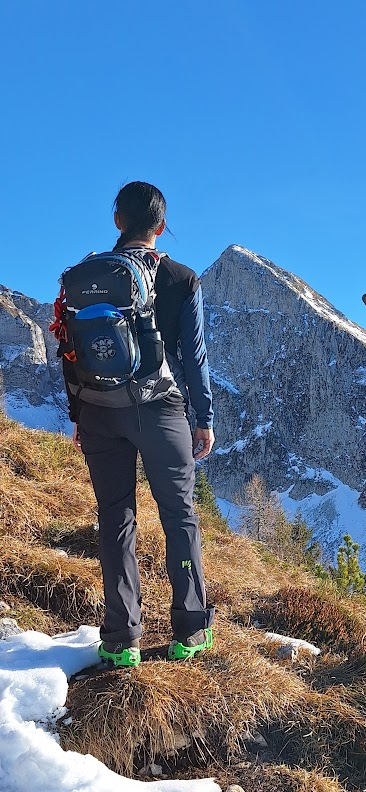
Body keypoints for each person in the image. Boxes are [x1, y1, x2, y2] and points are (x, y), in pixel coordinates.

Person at [61, 181, 215, 667]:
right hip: (159, 411)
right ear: (161, 227)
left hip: (98, 410)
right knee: (179, 516)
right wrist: (203, 417)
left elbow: (68, 348)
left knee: (115, 519)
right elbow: (194, 359)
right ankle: (189, 631)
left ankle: (120, 639)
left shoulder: (81, 277)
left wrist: (79, 413)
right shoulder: (181, 278)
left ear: (117, 221)